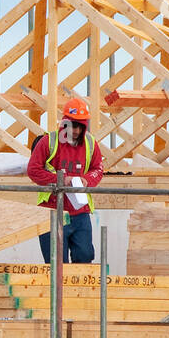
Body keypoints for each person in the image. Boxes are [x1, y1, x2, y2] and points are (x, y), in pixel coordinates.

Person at [27, 96, 103, 263]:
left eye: (80, 126)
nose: (76, 131)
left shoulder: (90, 143)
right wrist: (60, 180)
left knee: (85, 257)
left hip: (79, 212)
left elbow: (98, 169)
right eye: (73, 125)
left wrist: (86, 180)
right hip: (53, 210)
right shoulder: (49, 141)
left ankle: (78, 290)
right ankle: (58, 290)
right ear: (65, 123)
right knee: (57, 263)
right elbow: (33, 170)